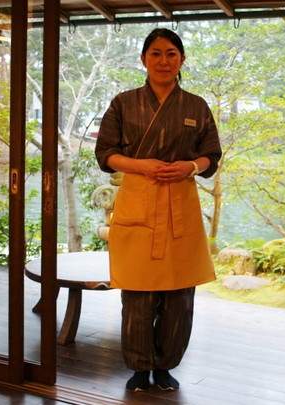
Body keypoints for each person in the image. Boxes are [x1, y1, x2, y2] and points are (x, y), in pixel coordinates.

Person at [95, 28, 222, 392]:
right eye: (155, 53)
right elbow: (105, 154)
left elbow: (211, 156)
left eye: (171, 54)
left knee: (179, 294)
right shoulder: (124, 103)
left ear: (182, 60)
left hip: (180, 201)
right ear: (144, 59)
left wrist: (190, 167)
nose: (163, 61)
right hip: (138, 198)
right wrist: (142, 166)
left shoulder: (196, 106)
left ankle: (166, 366)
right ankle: (139, 368)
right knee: (138, 291)